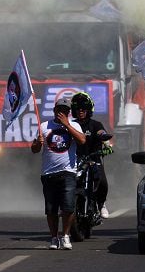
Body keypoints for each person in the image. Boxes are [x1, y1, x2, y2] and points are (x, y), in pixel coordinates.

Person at [31, 96, 86, 250]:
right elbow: (34, 149)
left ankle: (66, 235)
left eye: (65, 111)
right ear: (54, 110)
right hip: (49, 173)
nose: (62, 113)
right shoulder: (44, 126)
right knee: (51, 209)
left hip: (68, 171)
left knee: (68, 207)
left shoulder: (74, 125)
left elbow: (82, 140)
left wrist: (67, 125)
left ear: (69, 113)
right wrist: (36, 144)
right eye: (59, 110)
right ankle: (54, 237)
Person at [70, 91, 111, 219]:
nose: (80, 111)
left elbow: (101, 133)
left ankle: (101, 203)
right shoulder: (71, 125)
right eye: (77, 109)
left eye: (83, 108)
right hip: (75, 161)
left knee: (102, 182)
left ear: (89, 110)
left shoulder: (95, 124)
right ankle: (66, 206)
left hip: (93, 159)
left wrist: (105, 142)